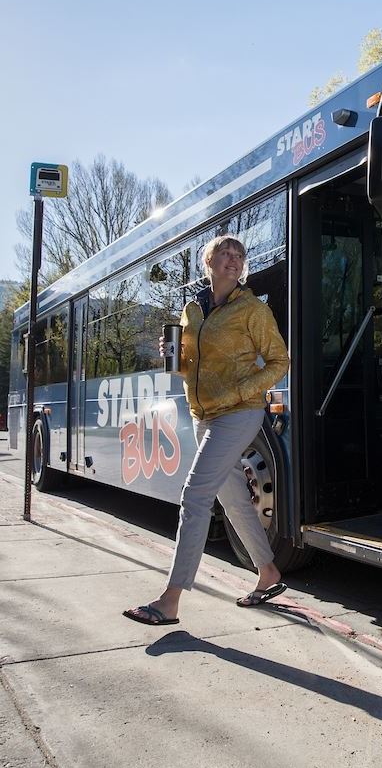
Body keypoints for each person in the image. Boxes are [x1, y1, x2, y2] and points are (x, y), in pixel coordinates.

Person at [124, 235, 290, 625]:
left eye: (239, 255)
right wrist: (174, 359)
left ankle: (170, 599)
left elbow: (280, 361)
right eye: (225, 254)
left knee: (195, 496)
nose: (233, 259)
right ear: (208, 263)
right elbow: (188, 365)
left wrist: (239, 391)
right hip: (203, 413)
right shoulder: (191, 311)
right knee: (232, 499)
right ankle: (268, 572)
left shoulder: (251, 310)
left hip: (239, 412)